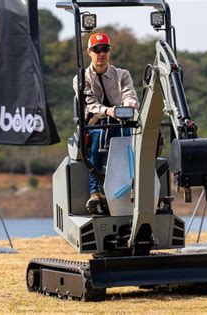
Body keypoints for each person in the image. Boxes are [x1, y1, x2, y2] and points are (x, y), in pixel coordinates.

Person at [73, 32, 139, 215]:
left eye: (105, 49)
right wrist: (109, 111)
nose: (101, 53)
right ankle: (95, 192)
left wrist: (128, 108)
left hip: (121, 123)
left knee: (129, 141)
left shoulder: (122, 75)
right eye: (97, 50)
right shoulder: (81, 78)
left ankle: (130, 187)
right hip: (95, 123)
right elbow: (90, 103)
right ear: (89, 52)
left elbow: (130, 95)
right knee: (95, 142)